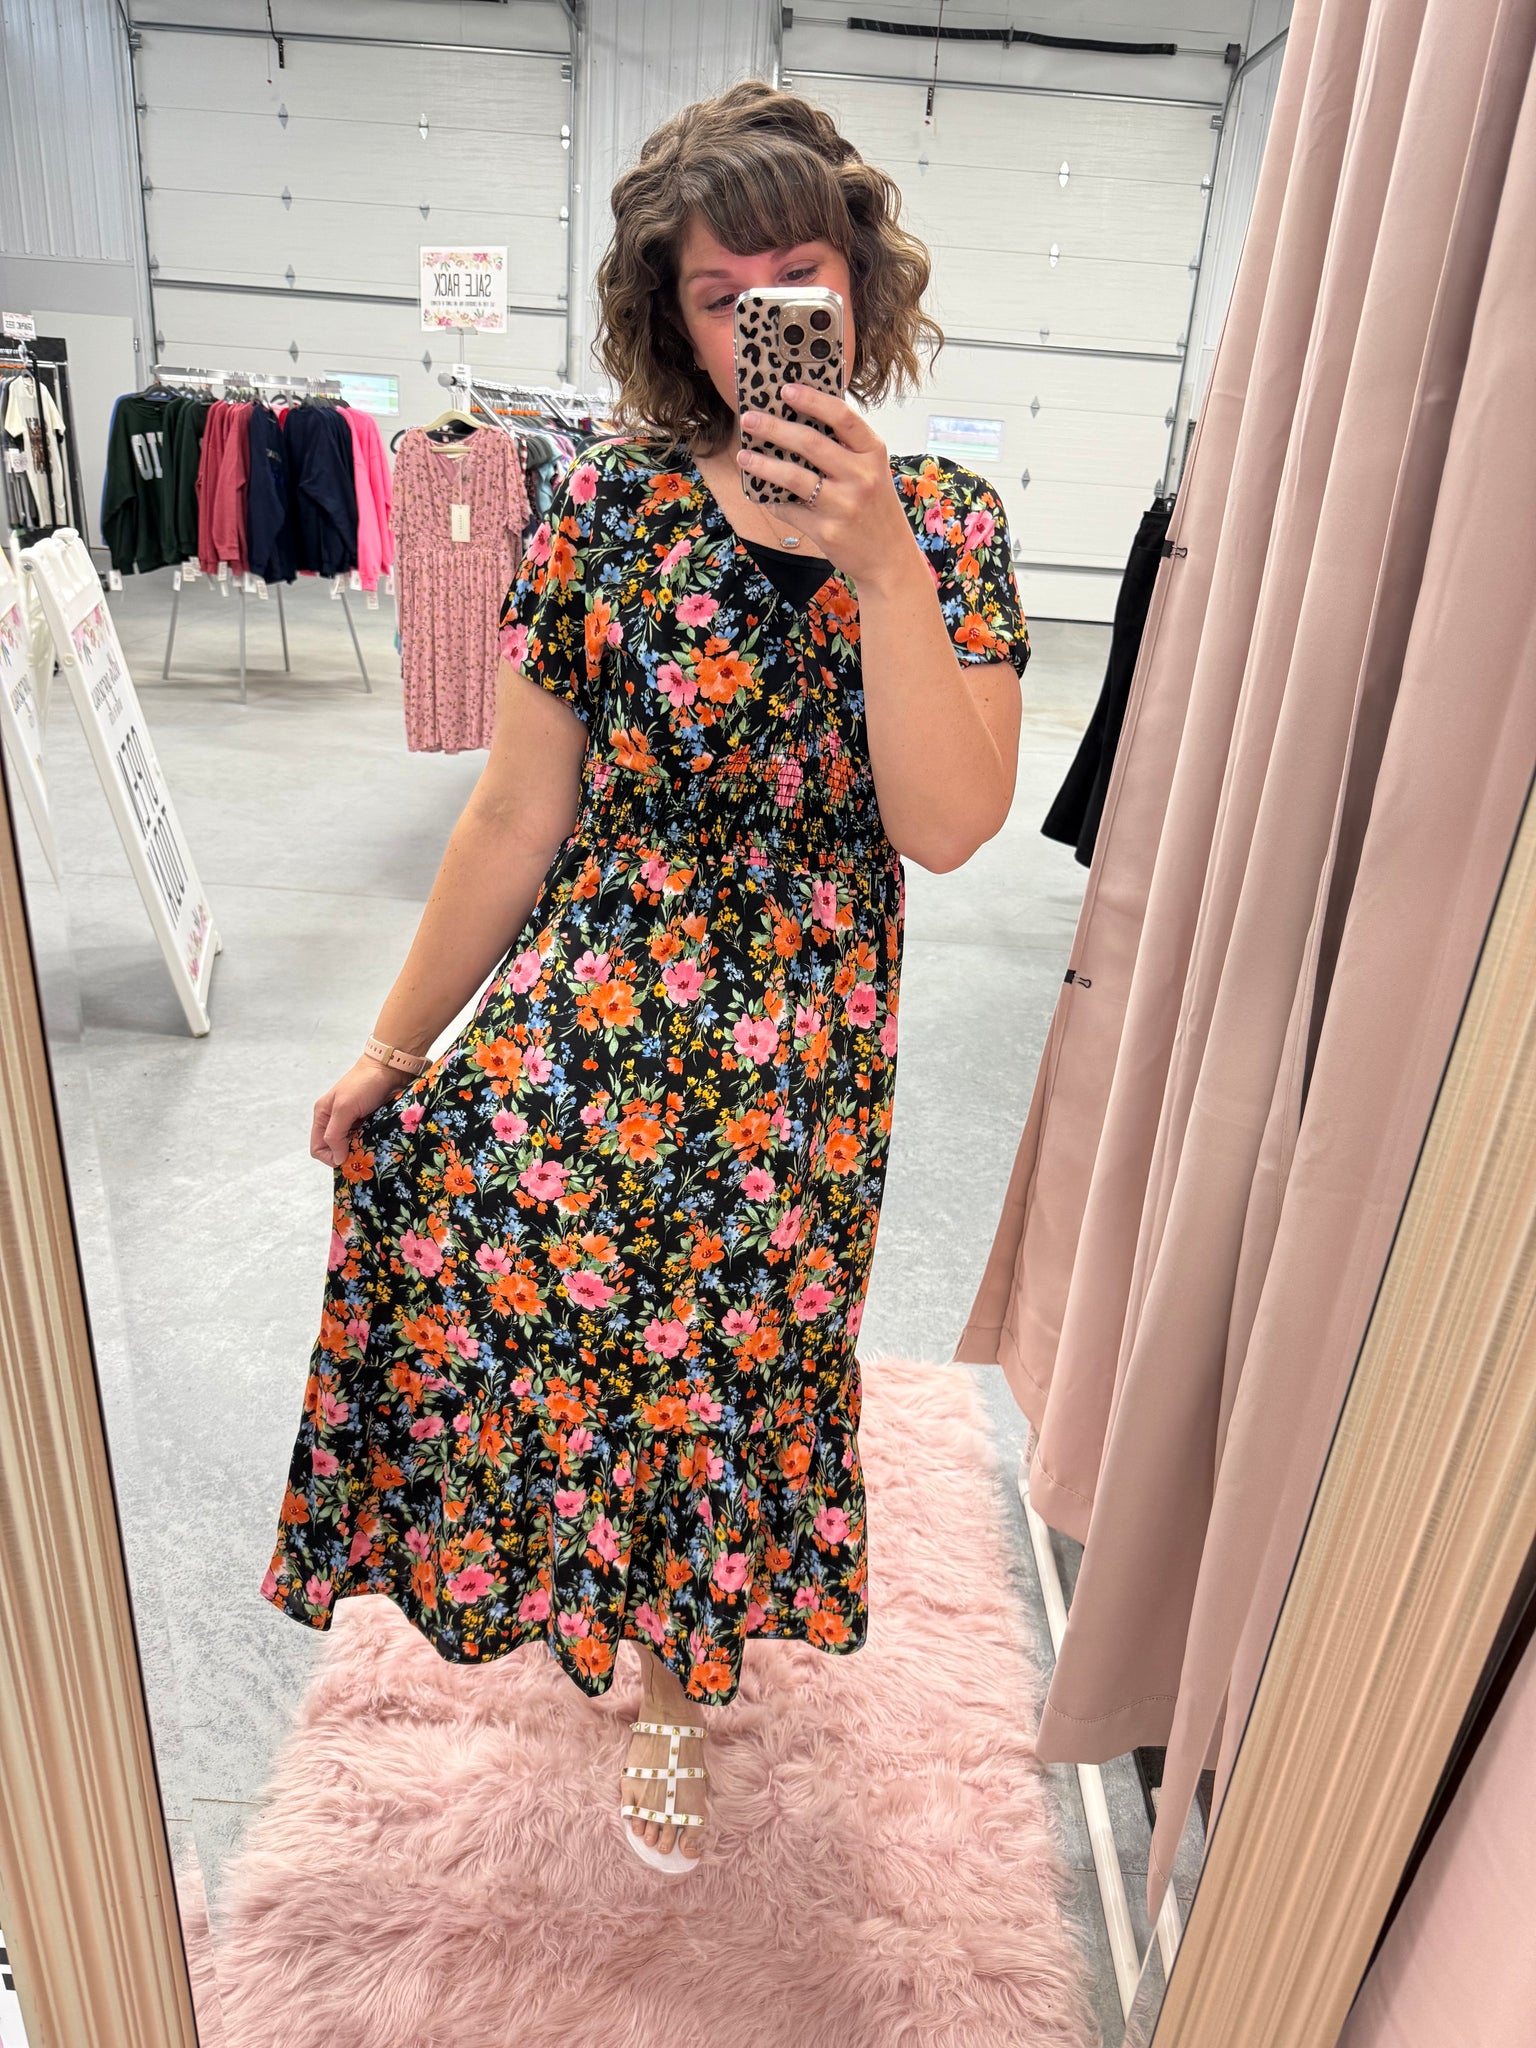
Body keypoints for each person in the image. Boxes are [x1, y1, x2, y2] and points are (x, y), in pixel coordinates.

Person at [261, 79, 1031, 1874]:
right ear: (672, 323)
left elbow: (948, 825)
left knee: (734, 1373)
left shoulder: (947, 522)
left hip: (799, 1050)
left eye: (798, 278)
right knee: (546, 1298)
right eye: (720, 293)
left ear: (859, 287)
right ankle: (572, 1580)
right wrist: (396, 1043)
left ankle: (681, 1684)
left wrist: (880, 564)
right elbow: (516, 813)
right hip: (597, 1002)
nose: (765, 317)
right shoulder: (602, 513)